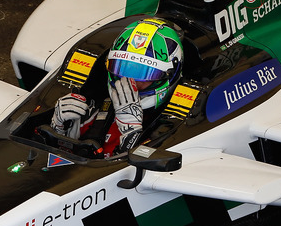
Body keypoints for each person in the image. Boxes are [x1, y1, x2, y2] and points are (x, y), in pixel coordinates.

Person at [51, 17, 184, 157]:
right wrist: (58, 128)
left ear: (169, 75)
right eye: (124, 70)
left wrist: (131, 136)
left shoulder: (174, 128)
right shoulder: (99, 112)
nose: (131, 83)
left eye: (143, 75)